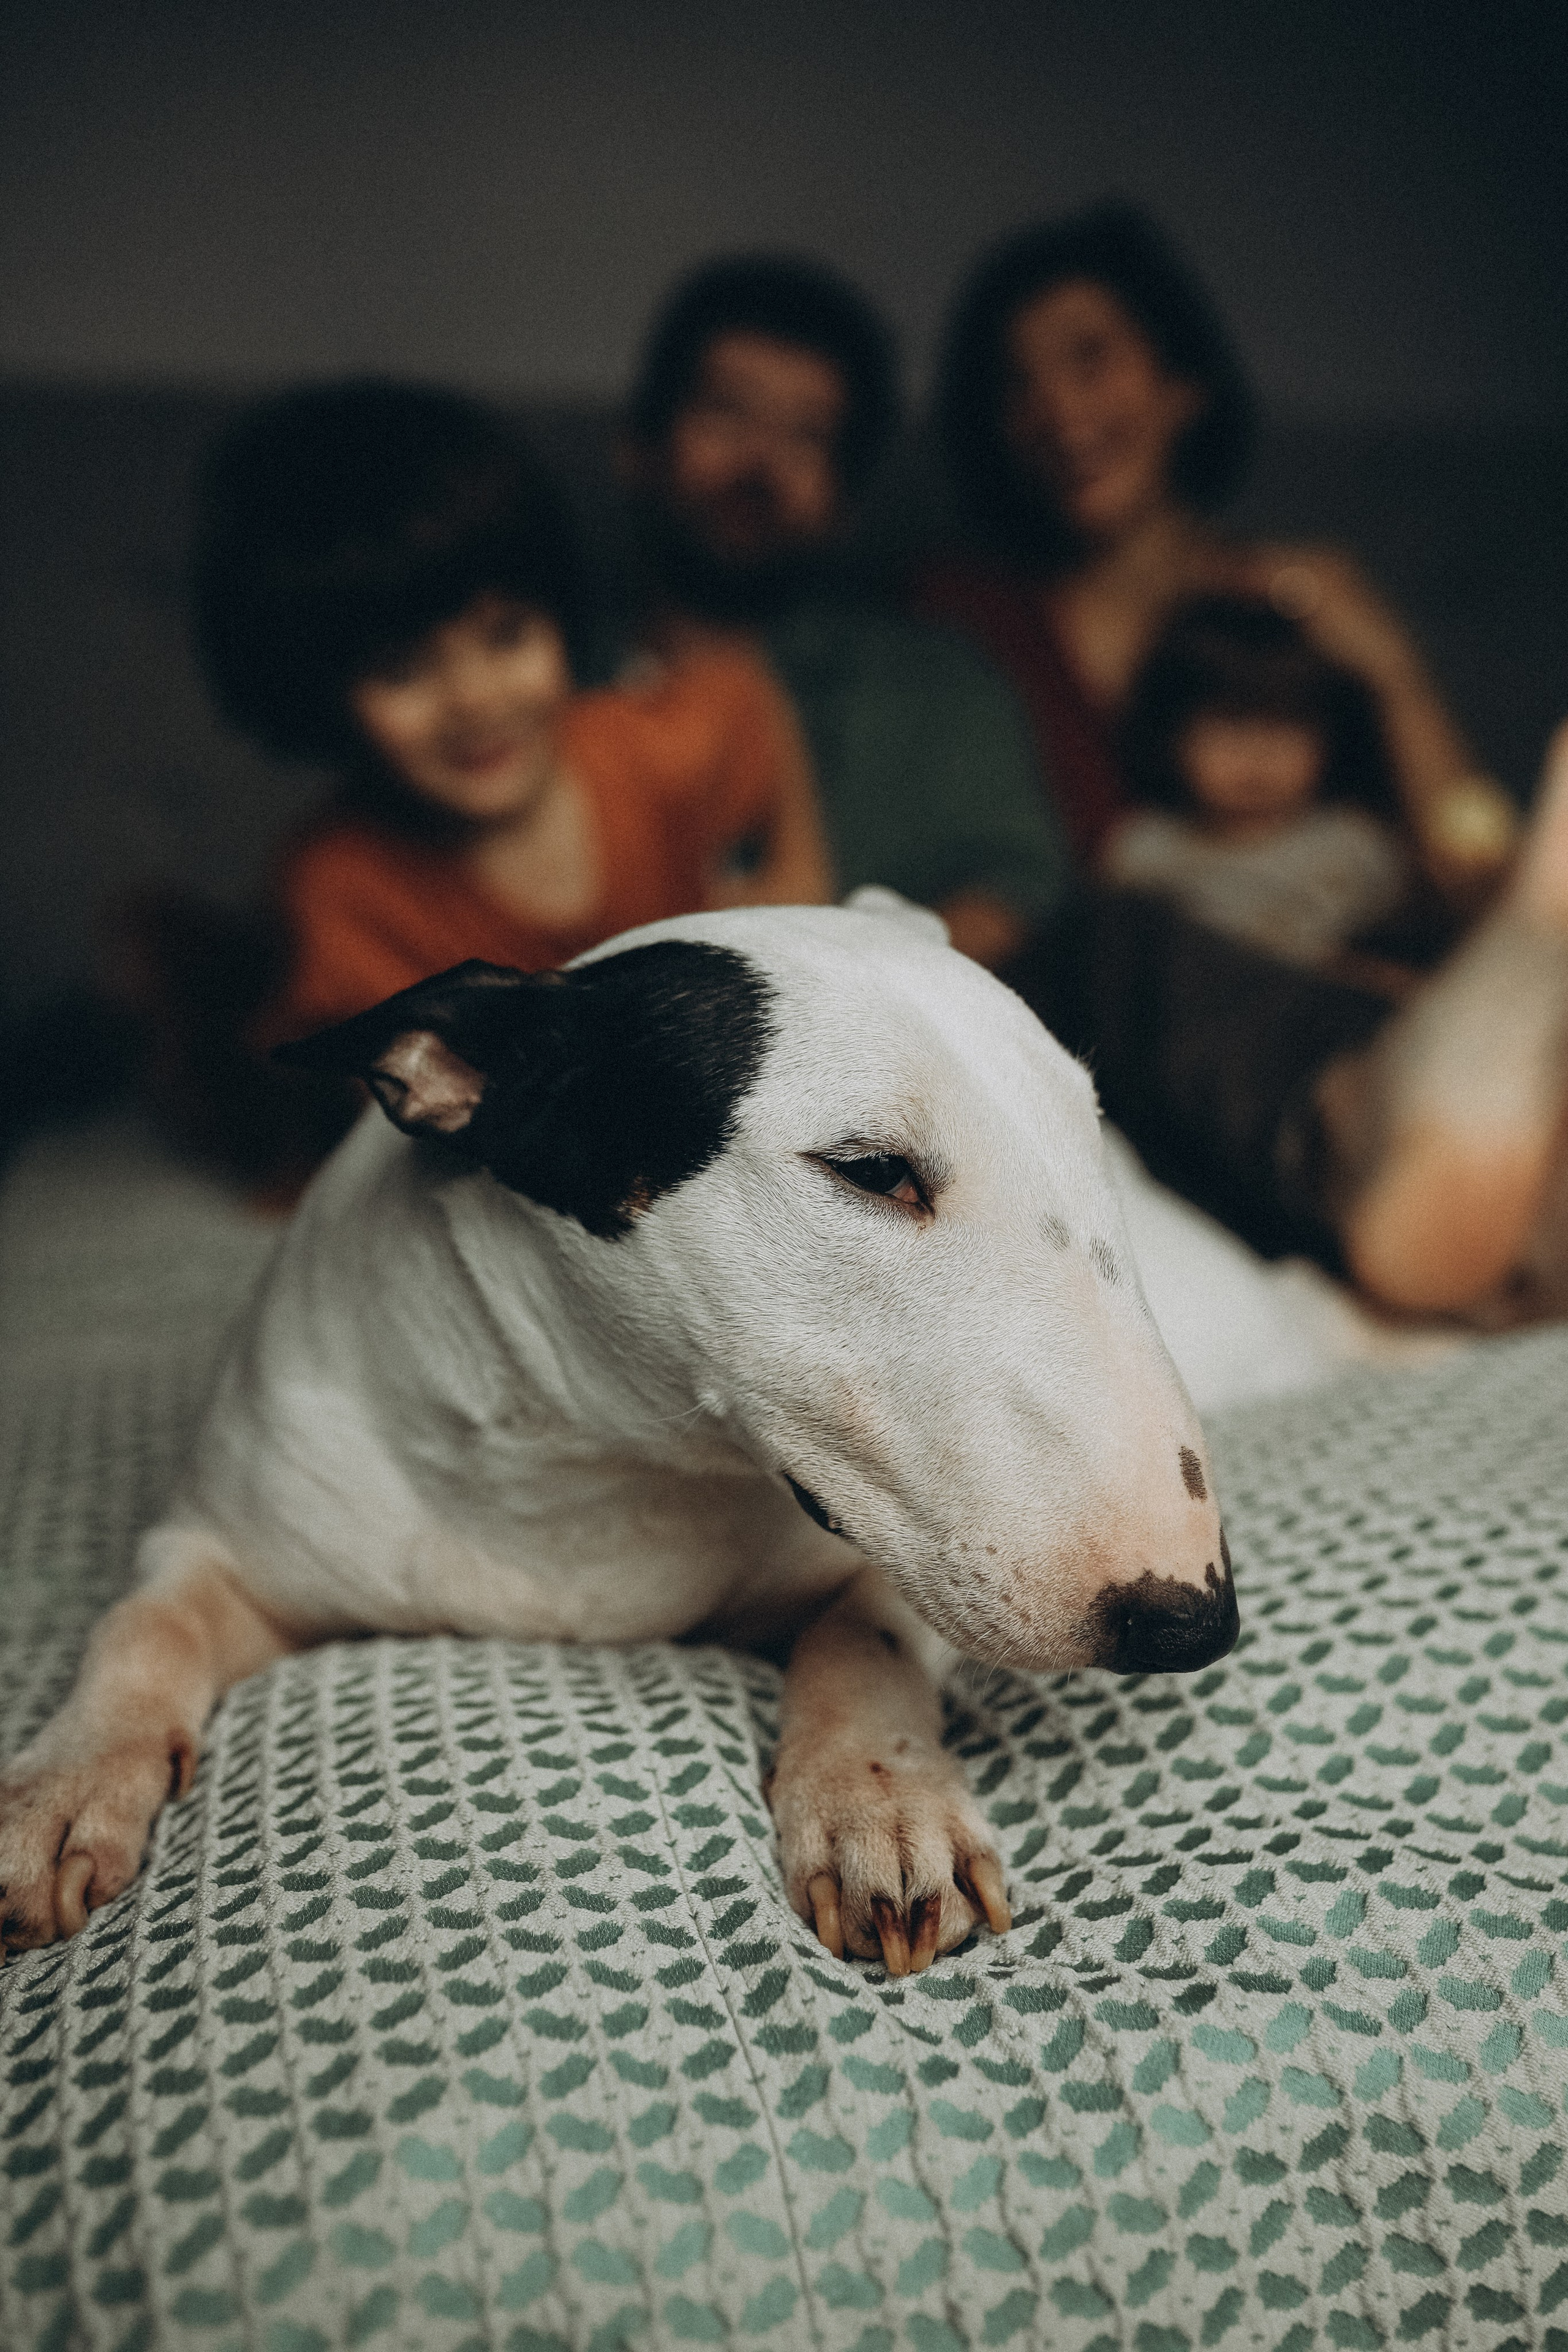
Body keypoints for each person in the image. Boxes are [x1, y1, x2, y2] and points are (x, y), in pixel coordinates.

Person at [137, 380, 830, 1189]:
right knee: (260, 1088)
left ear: (560, 616)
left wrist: (797, 881)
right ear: (316, 689)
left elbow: (742, 693)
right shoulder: (341, 885)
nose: (475, 700)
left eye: (506, 635)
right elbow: (433, 1140)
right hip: (447, 1129)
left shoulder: (651, 747)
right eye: (403, 667)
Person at [918, 203, 1518, 898]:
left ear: (1182, 384)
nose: (1058, 411)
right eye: (1016, 383)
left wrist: (1396, 677)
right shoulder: (968, 618)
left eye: (1091, 359)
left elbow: (1480, 877)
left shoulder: (1283, 608)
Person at [619, 254, 1069, 969]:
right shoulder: (532, 676)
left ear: (848, 501)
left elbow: (1013, 895)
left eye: (806, 435)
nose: (759, 464)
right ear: (638, 446)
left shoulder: (935, 682)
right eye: (727, 411)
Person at [1106, 594, 1454, 983]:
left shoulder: (1354, 847)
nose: (1258, 758)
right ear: (1171, 735)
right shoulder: (1145, 851)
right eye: (1230, 727)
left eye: (1286, 729)